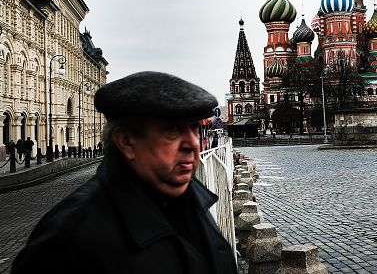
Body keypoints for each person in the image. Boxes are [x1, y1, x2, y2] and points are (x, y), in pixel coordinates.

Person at [12, 71, 237, 274]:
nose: (192, 144)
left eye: (194, 129)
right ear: (126, 142)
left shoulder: (193, 200)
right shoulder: (68, 242)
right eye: (173, 130)